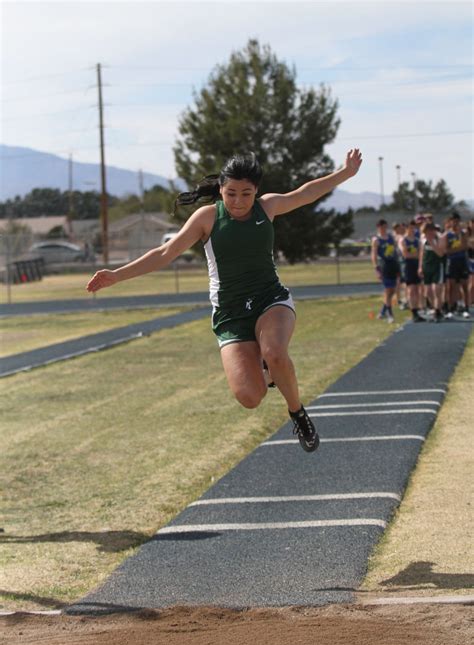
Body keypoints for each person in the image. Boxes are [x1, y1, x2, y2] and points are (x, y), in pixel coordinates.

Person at [86, 149, 363, 453]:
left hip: (269, 299)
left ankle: (297, 412)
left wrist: (344, 173)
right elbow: (164, 253)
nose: (239, 201)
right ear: (220, 188)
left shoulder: (267, 208)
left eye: (246, 193)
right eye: (231, 193)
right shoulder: (206, 218)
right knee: (250, 397)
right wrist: (117, 275)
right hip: (230, 314)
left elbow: (305, 193)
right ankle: (267, 371)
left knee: (275, 352)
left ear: (256, 191)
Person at [440, 212, 471, 319]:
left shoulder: (463, 233)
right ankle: (450, 308)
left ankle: (466, 308)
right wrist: (458, 248)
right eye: (453, 221)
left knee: (465, 285)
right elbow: (446, 250)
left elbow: (466, 246)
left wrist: (458, 248)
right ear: (450, 221)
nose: (455, 223)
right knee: (450, 286)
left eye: (457, 221)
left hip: (462, 261)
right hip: (452, 262)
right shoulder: (447, 235)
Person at [371, 219, 400, 324]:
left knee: (392, 290)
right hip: (384, 266)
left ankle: (383, 311)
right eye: (382, 227)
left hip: (393, 265)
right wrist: (376, 269)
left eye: (385, 227)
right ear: (378, 227)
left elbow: (395, 251)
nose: (384, 229)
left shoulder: (390, 238)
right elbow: (374, 255)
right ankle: (390, 314)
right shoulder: (376, 240)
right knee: (388, 290)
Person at [418, 222, 445, 322]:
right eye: (424, 232)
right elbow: (421, 253)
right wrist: (420, 267)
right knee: (428, 292)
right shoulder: (423, 239)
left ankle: (437, 311)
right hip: (426, 267)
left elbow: (441, 254)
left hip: (437, 267)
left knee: (436, 290)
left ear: (432, 231)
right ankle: (435, 308)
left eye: (428, 232)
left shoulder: (439, 238)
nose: (426, 234)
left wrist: (432, 243)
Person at [400, 220, 425, 322]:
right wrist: (417, 255)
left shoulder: (417, 240)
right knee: (411, 289)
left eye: (413, 228)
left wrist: (420, 264)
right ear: (406, 228)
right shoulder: (403, 240)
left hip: (416, 265)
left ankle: (417, 311)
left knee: (418, 290)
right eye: (410, 227)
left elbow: (421, 254)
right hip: (408, 266)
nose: (412, 230)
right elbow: (405, 254)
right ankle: (413, 311)